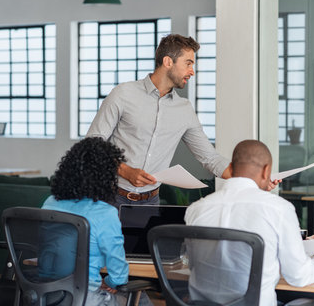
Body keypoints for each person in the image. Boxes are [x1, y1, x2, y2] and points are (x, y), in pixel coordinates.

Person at [86, 34, 230, 207]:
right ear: (168, 62)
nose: (192, 71)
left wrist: (252, 176)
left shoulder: (184, 109)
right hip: (108, 197)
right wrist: (125, 171)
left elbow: (210, 158)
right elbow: (92, 144)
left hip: (150, 202)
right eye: (188, 63)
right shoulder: (123, 94)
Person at [185, 140, 314, 306]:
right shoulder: (277, 209)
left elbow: (196, 264)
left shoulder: (197, 209)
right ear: (266, 170)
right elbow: (298, 276)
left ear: (231, 168)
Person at [41, 137, 152, 306]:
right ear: (106, 177)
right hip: (86, 299)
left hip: (45, 295)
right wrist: (109, 283)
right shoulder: (105, 214)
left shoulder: (49, 203)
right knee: (140, 297)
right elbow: (119, 275)